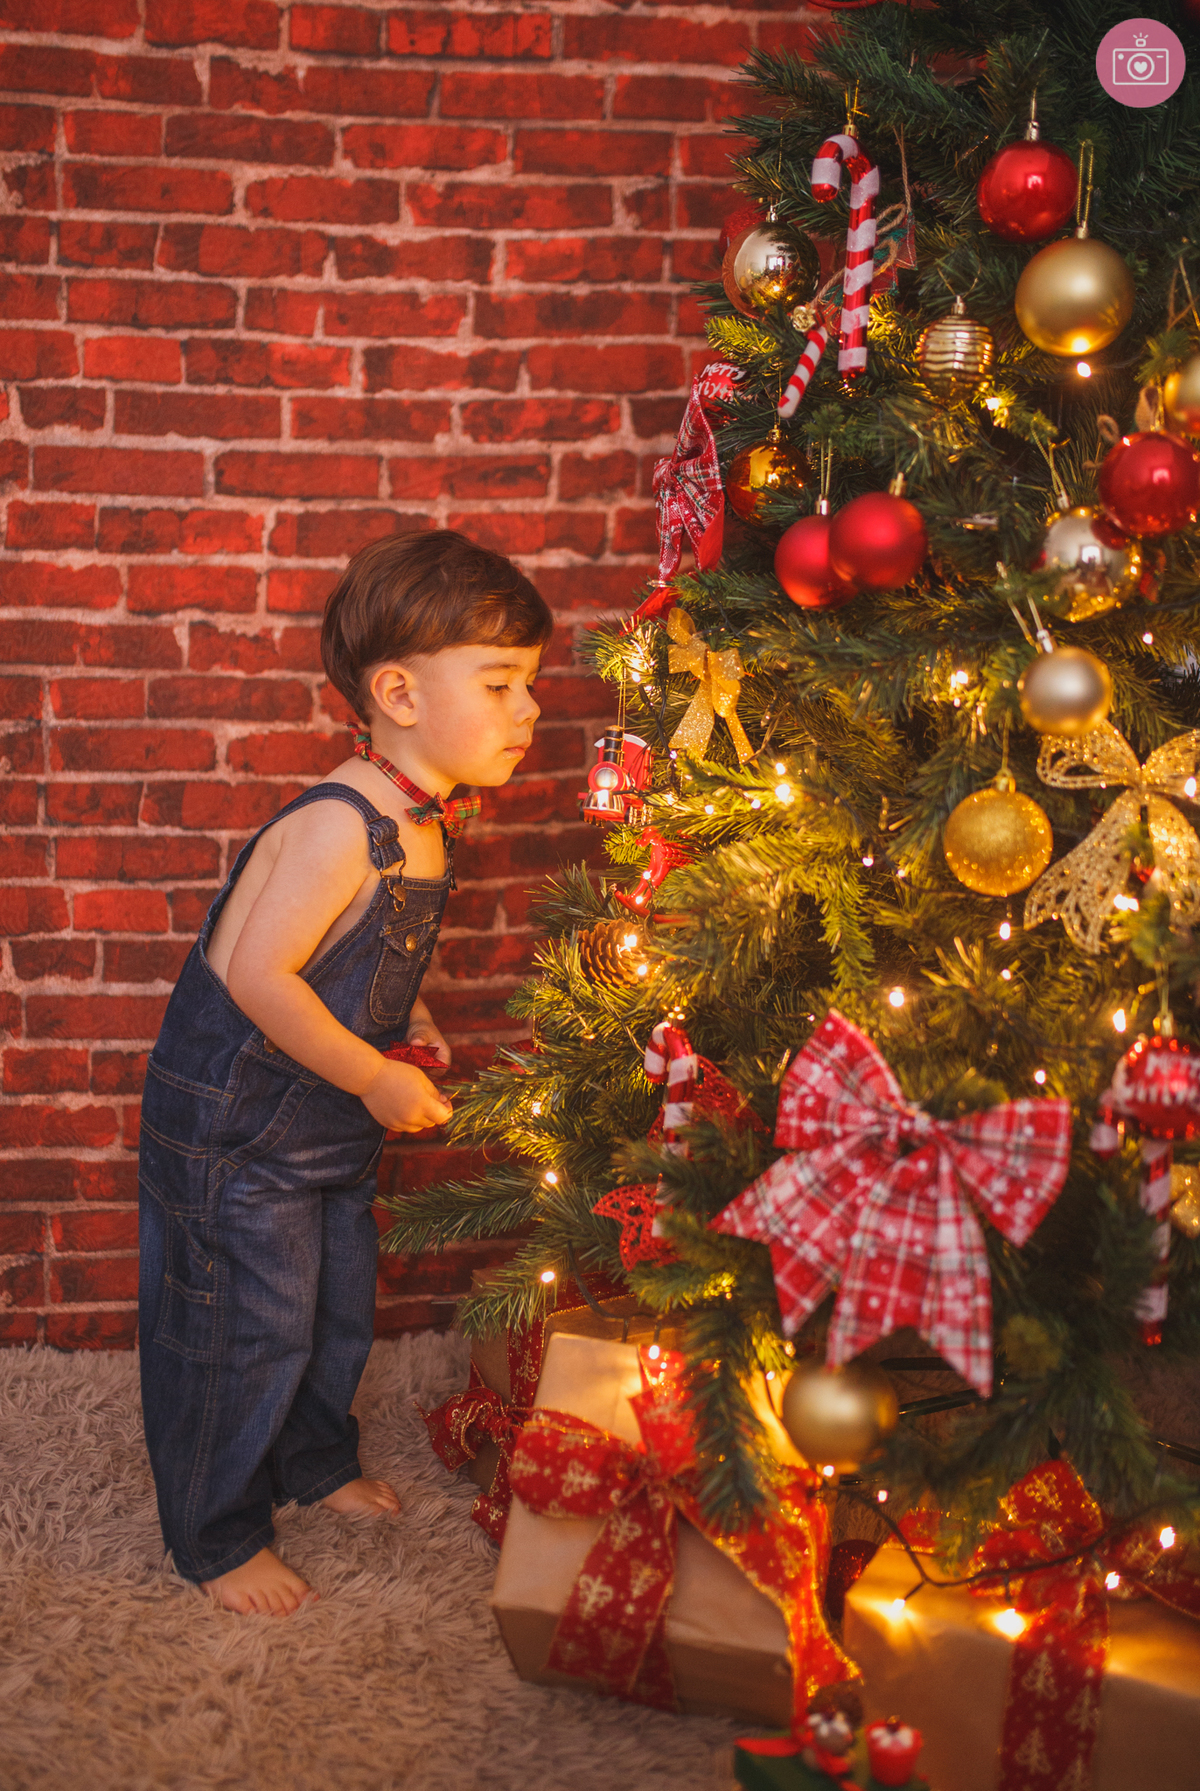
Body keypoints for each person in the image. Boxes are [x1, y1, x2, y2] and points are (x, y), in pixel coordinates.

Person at [138, 529, 550, 1616]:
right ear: (401, 693)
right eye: (501, 684)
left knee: (335, 1311)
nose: (530, 711)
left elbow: (346, 953)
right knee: (242, 1324)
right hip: (237, 1132)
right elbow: (264, 981)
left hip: (320, 1134)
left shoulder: (422, 822)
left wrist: (400, 1006)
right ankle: (216, 1534)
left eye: (530, 687)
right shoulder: (339, 825)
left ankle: (312, 1463)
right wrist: (374, 1072)